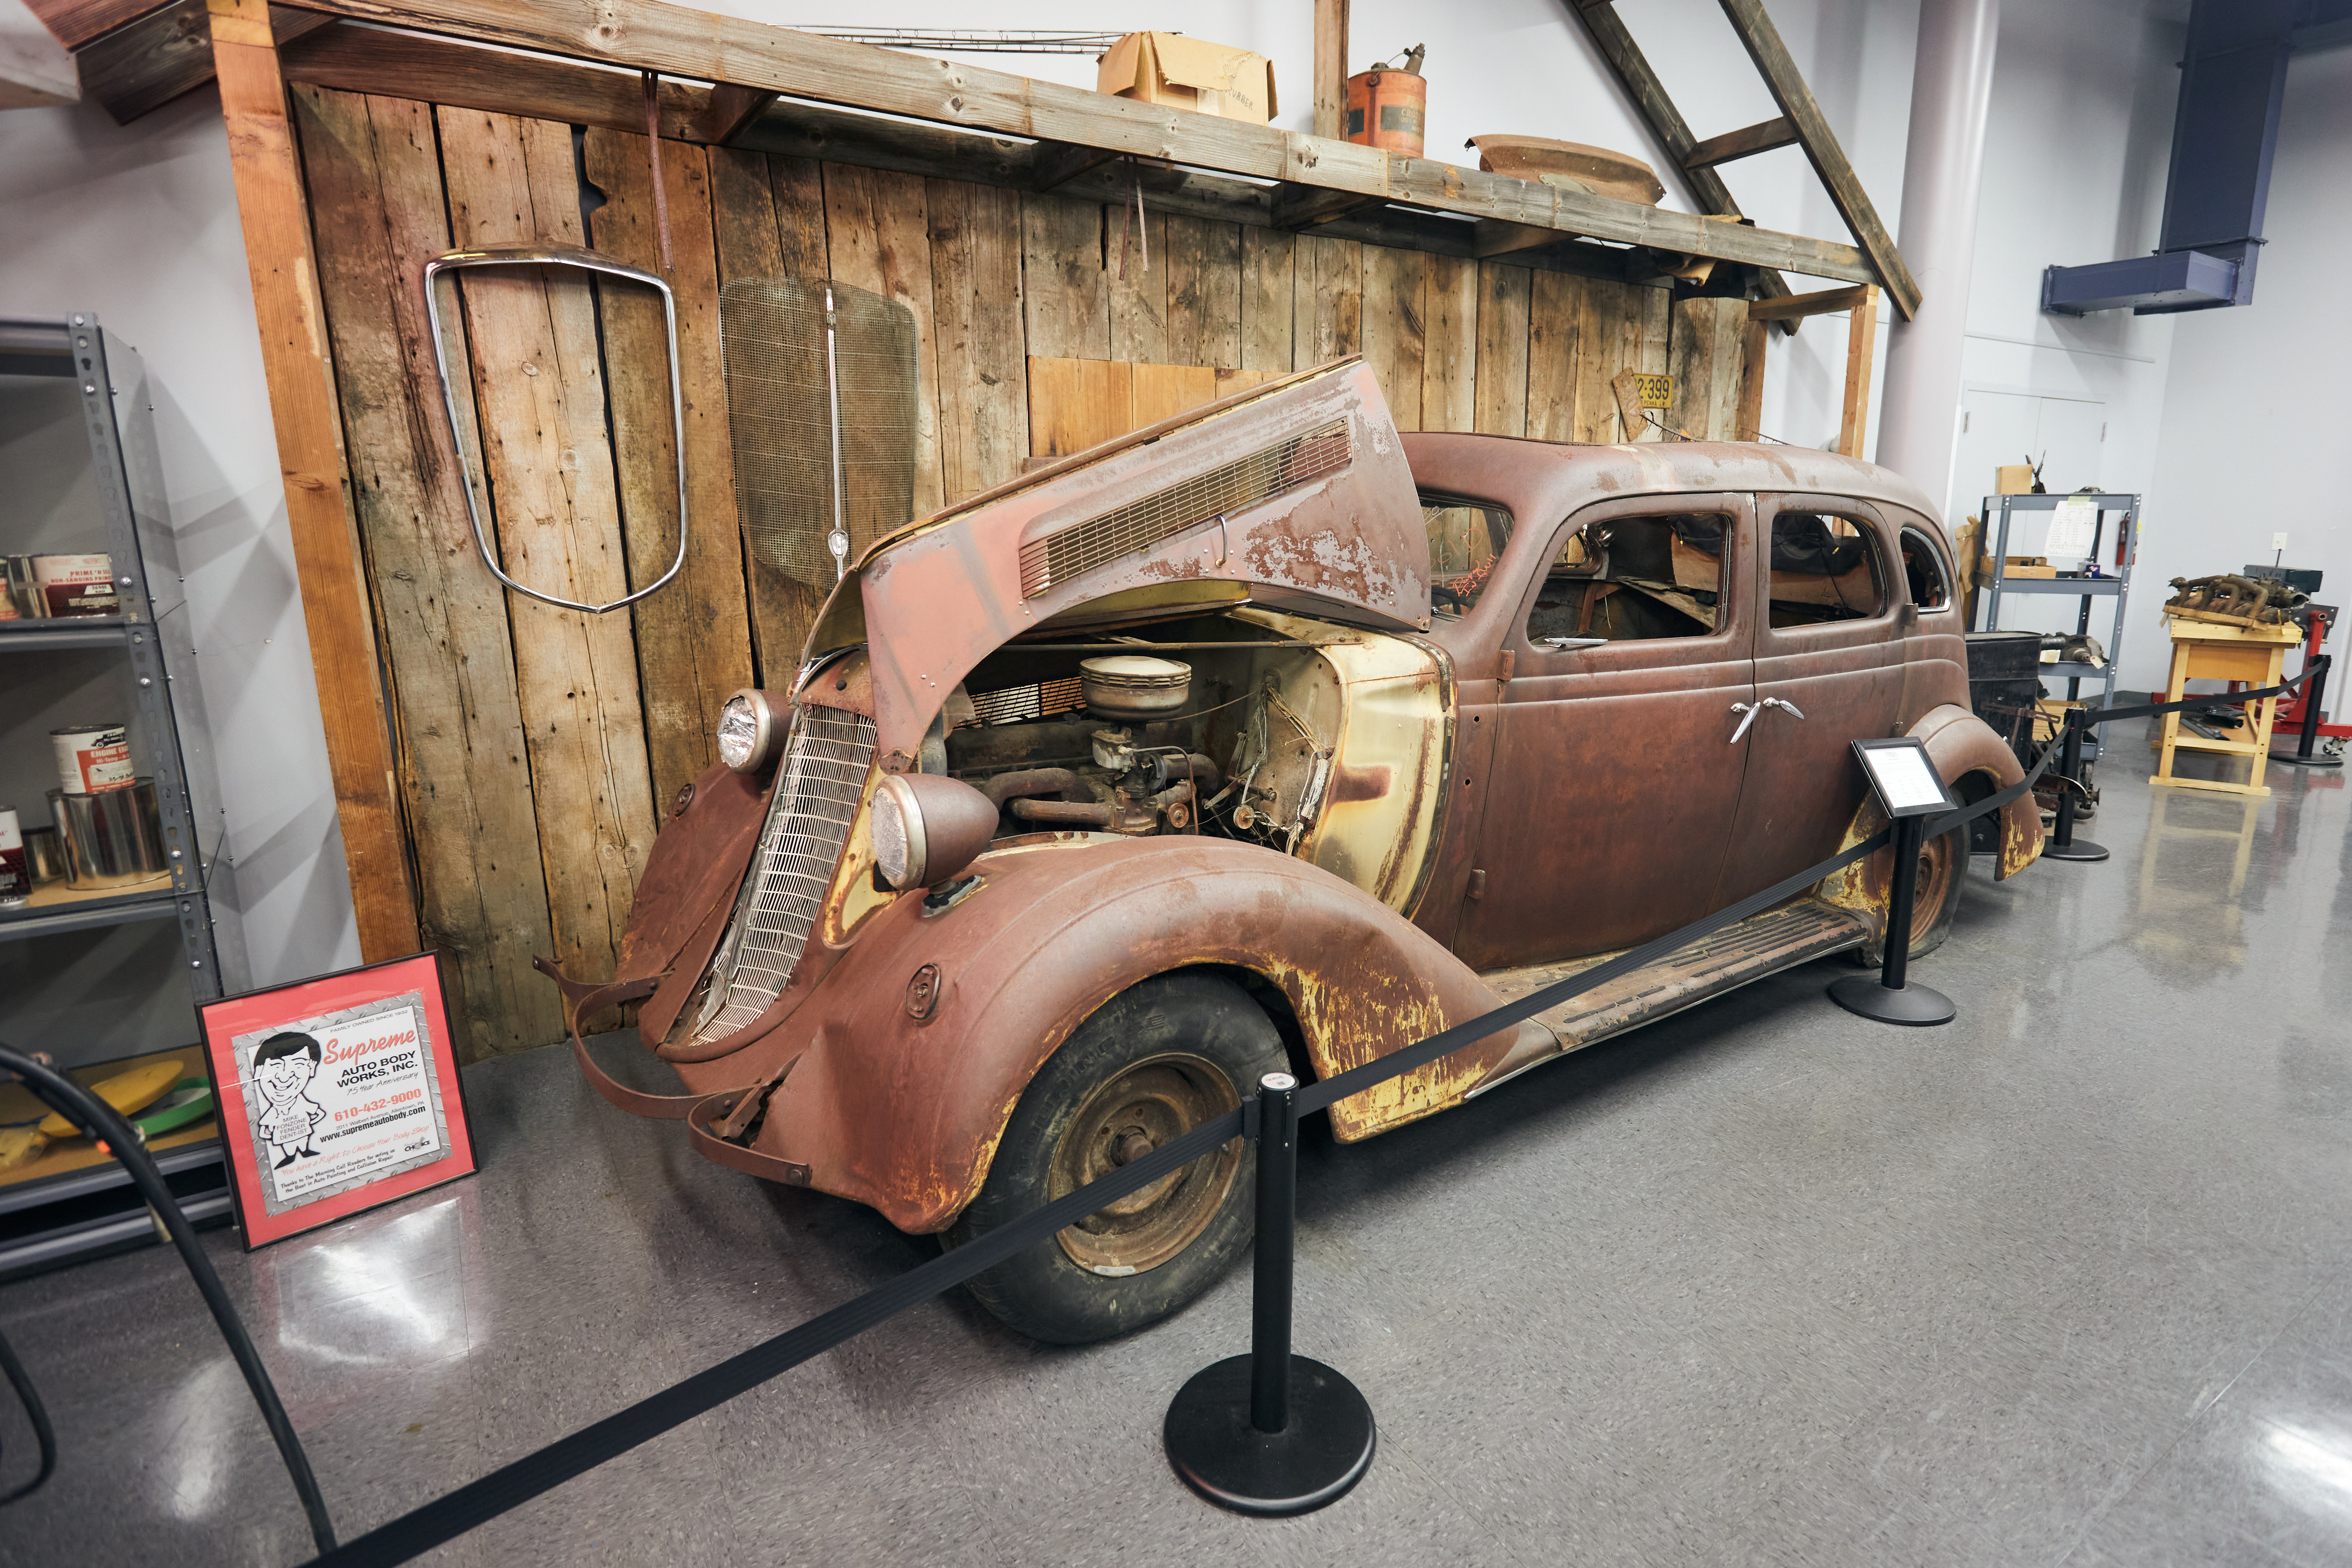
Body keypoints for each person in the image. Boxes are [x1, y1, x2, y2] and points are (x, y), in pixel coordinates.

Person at [252, 1032, 326, 1170]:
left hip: (304, 1135)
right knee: (289, 1150)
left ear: (311, 1069)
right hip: (284, 1140)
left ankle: (305, 1152)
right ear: (258, 1072)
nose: (285, 1077)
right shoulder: (272, 1112)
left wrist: (311, 1122)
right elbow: (262, 1131)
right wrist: (269, 1134)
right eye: (276, 1065)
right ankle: (290, 1157)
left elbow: (319, 1114)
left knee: (304, 1144)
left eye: (298, 1065)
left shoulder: (302, 1103)